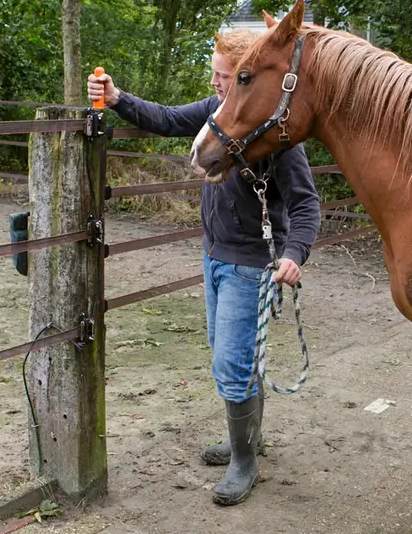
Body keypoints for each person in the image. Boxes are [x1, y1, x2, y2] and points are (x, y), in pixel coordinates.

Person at [87, 29, 321, 506]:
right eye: (213, 74)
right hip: (213, 255)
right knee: (231, 355)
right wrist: (117, 99)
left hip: (250, 265)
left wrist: (294, 254)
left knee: (231, 366)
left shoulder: (280, 138)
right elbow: (169, 119)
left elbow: (306, 205)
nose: (216, 83)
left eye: (224, 76)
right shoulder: (218, 111)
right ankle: (247, 441)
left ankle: (244, 463)